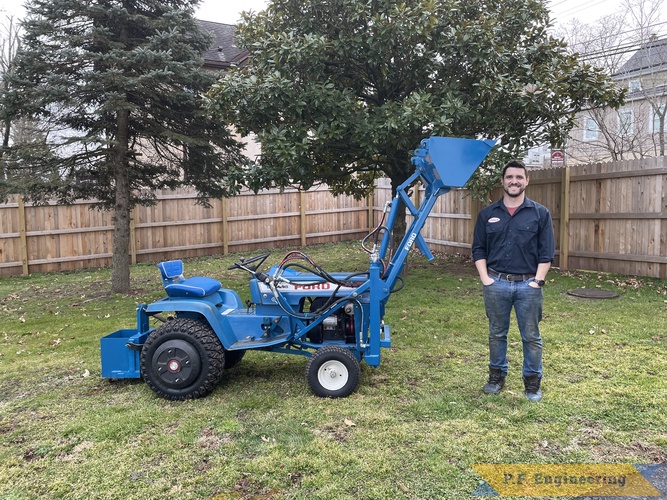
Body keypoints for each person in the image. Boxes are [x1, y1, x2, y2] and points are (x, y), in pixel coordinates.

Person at [471, 159, 555, 402]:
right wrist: (485, 278)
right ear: (503, 181)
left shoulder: (540, 213)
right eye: (510, 177)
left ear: (527, 181)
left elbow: (546, 252)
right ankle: (496, 377)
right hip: (496, 284)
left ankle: (532, 384)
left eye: (519, 177)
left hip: (528, 286)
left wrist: (537, 281)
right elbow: (478, 249)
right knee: (497, 334)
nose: (514, 181)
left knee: (531, 336)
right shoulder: (488, 214)